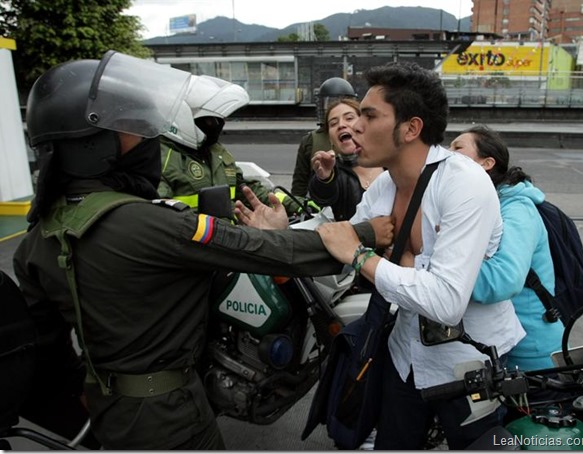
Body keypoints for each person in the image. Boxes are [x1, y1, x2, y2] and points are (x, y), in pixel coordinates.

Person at [12, 51, 394, 450]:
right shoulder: (148, 223)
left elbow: (44, 349)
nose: (145, 136)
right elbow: (264, 249)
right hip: (174, 416)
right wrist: (366, 233)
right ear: (92, 145)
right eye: (129, 128)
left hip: (108, 410)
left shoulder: (39, 238)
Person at [311, 62, 526, 450]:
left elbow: (445, 301)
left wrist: (362, 258)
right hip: (405, 353)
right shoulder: (383, 188)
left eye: (369, 115)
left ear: (410, 129)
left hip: (467, 365)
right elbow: (339, 238)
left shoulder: (464, 183)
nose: (355, 126)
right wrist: (279, 232)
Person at [449, 125, 564, 371]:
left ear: (486, 163)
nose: (448, 153)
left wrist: (438, 271)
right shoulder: (480, 203)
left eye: (457, 147)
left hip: (530, 354)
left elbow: (503, 279)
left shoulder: (516, 210)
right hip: (498, 346)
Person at [159, 75, 302, 216]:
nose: (219, 125)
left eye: (220, 119)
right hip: (198, 238)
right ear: (182, 117)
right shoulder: (161, 160)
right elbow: (161, 219)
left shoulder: (216, 152)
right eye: (211, 120)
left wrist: (297, 204)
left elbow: (248, 191)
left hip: (229, 236)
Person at [308, 98, 384, 221]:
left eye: (349, 118)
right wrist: (325, 178)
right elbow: (322, 196)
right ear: (331, 139)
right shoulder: (333, 171)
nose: (341, 125)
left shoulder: (389, 162)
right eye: (333, 123)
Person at [290, 77, 357, 197]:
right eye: (328, 102)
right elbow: (299, 184)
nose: (342, 124)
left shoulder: (369, 140)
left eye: (349, 118)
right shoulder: (310, 140)